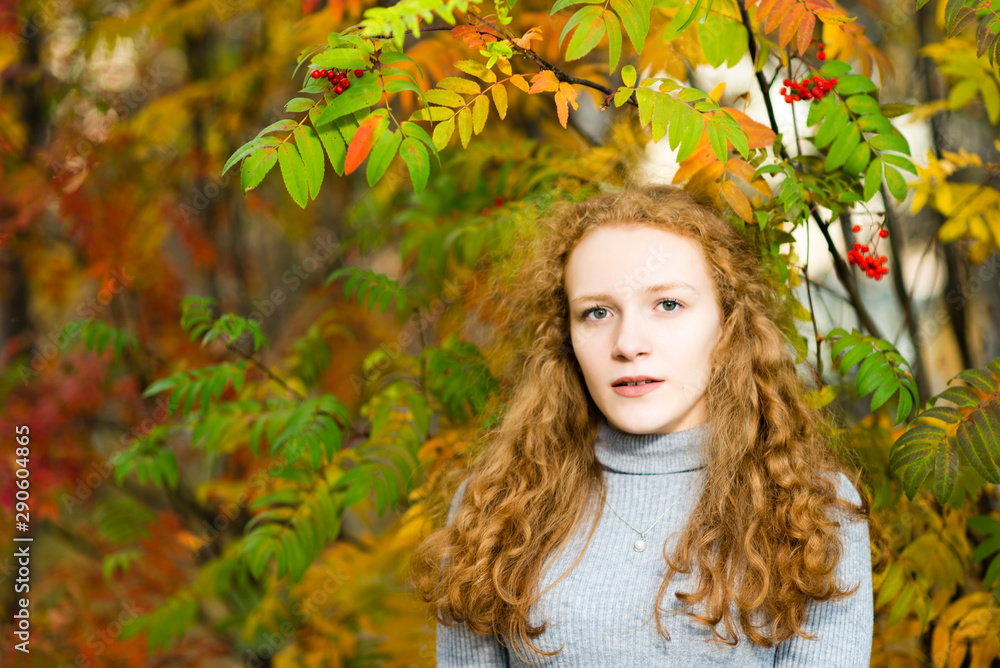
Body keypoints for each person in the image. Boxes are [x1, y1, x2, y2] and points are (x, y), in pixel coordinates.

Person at [409, 183, 874, 666]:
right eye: (597, 312)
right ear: (567, 336)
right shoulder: (496, 507)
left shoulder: (812, 511)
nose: (628, 343)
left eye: (668, 304)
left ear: (727, 326)